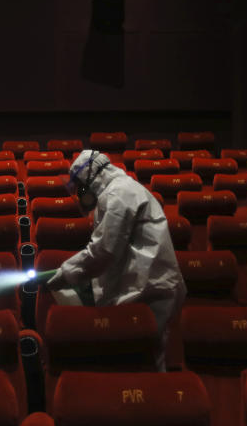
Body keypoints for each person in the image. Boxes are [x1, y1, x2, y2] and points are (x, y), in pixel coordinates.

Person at [44, 150, 185, 371]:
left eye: (80, 185)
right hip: (146, 287)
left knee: (144, 366)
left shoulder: (118, 194)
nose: (80, 193)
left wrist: (62, 274)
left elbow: (103, 251)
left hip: (149, 290)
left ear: (92, 175)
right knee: (144, 360)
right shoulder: (118, 190)